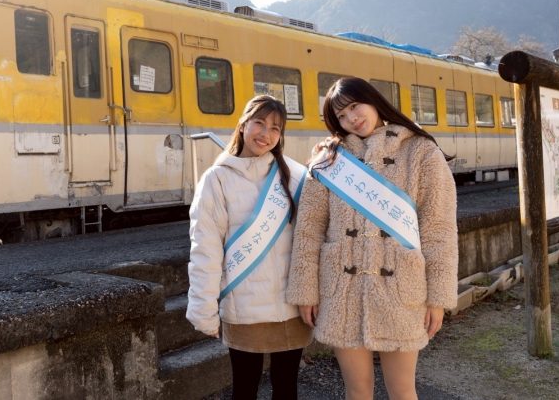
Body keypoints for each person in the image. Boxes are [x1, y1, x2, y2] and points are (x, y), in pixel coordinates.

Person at [286, 77, 458, 400]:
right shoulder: (329, 158)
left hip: (402, 289)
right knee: (357, 391)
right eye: (341, 115)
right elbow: (308, 230)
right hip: (341, 292)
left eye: (355, 106)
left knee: (403, 391)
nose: (351, 118)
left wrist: (439, 297)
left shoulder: (421, 151)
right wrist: (306, 291)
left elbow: (439, 231)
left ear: (373, 100)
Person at [187, 94, 312, 400]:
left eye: (275, 128)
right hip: (243, 307)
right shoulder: (217, 179)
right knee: (244, 389)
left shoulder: (294, 176)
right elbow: (205, 249)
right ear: (243, 124)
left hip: (290, 307)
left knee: (287, 388)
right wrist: (204, 310)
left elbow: (309, 241)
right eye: (259, 123)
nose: (265, 134)